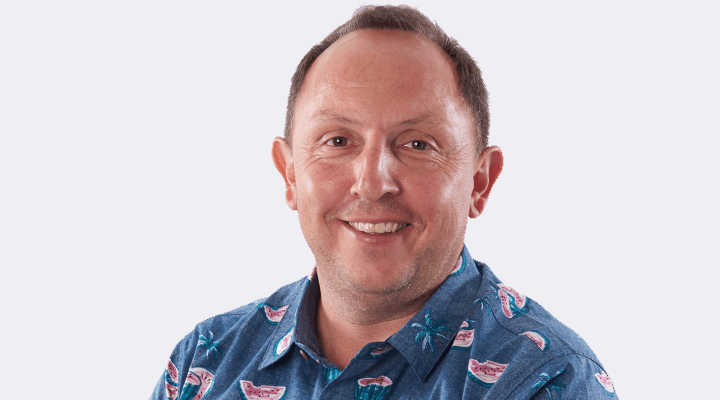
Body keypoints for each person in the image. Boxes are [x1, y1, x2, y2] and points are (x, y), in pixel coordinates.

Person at [151, 5, 617, 399]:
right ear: (289, 174)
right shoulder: (204, 361)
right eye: (338, 141)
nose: (372, 183)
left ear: (480, 182)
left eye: (417, 144)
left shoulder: (546, 379)